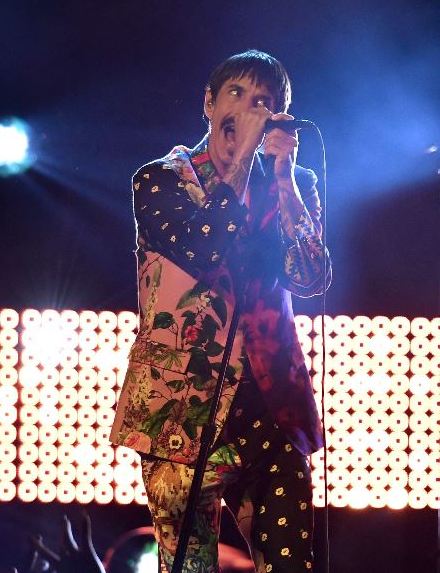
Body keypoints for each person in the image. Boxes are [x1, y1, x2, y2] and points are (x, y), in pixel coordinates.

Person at [109, 50, 331, 573]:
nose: (250, 109)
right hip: (182, 409)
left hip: (270, 405)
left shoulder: (291, 188)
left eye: (264, 102)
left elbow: (311, 278)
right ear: (209, 103)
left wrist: (283, 178)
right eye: (237, 94)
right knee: (190, 566)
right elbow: (206, 248)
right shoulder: (159, 182)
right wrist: (243, 162)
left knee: (291, 562)